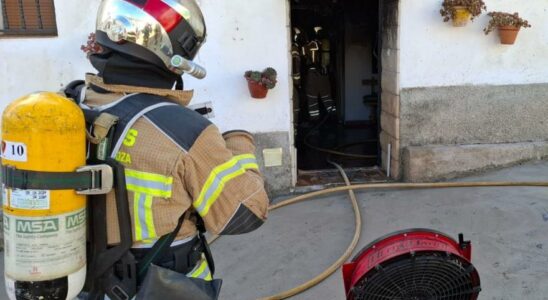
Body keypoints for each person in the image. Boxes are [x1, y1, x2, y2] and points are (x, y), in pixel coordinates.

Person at [70, 0, 270, 298]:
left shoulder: (68, 107)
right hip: (161, 286)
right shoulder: (185, 131)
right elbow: (246, 213)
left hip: (81, 284)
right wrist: (240, 142)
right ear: (175, 51)